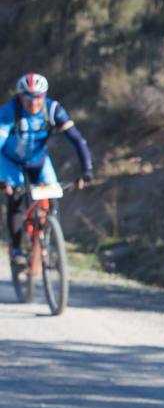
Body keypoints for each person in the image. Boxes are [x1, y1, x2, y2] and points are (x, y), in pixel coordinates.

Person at [1, 73, 93, 272]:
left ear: (44, 96)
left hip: (38, 160)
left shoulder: (52, 110)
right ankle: (17, 250)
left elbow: (77, 140)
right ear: (20, 96)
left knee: (51, 195)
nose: (33, 103)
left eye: (38, 98)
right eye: (28, 98)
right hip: (10, 161)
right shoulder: (10, 112)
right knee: (15, 197)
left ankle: (49, 239)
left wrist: (87, 170)